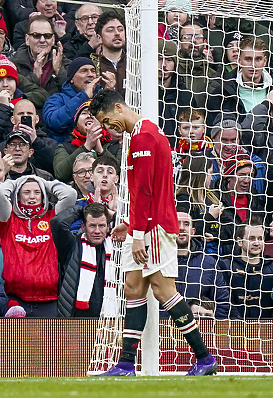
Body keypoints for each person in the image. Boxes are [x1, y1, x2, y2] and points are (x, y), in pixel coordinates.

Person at [89, 88, 218, 376]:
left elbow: (147, 191)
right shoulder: (140, 135)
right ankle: (125, 364)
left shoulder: (144, 137)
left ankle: (204, 358)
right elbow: (144, 190)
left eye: (108, 121)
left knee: (164, 291)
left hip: (155, 227)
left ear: (119, 108)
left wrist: (138, 234)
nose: (109, 129)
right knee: (134, 288)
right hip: (145, 224)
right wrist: (130, 225)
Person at [0, 175, 77, 317]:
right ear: (17, 196)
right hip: (15, 300)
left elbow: (70, 194)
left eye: (37, 192)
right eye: (26, 192)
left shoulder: (52, 219)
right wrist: (18, 181)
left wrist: (46, 184)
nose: (32, 197)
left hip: (49, 301)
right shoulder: (8, 219)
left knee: (47, 340)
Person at [53, 202, 113, 318]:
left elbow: (134, 227)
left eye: (101, 226)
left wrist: (113, 215)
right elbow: (58, 223)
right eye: (92, 225)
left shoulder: (116, 247)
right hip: (77, 319)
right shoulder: (72, 245)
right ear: (83, 226)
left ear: (108, 227)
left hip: (110, 319)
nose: (97, 231)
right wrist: (83, 210)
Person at [175, 210, 229, 319]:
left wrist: (208, 326)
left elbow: (223, 302)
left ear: (193, 231)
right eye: (177, 223)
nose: (181, 228)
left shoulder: (208, 264)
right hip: (164, 330)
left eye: (186, 224)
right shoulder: (158, 263)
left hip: (199, 331)